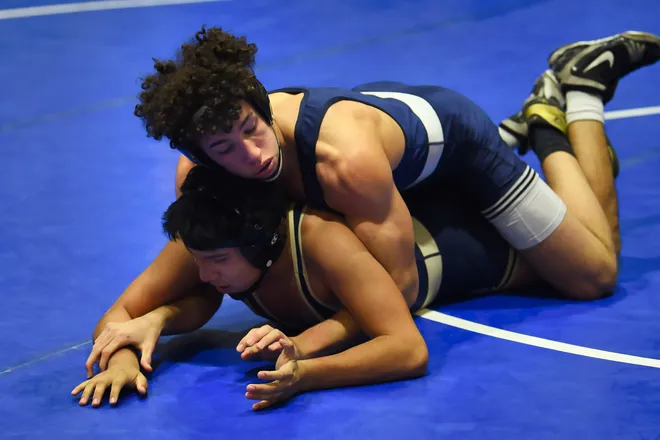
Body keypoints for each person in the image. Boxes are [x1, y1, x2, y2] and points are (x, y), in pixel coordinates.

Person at [132, 27, 659, 310]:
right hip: (392, 150)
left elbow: (400, 289)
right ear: (199, 157)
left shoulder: (343, 160)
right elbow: (199, 275)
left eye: (251, 130)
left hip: (458, 146)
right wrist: (153, 320)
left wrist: (309, 343)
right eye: (224, 149)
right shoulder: (197, 178)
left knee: (592, 275)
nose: (252, 156)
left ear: (263, 108)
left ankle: (572, 97)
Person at [71, 164, 537, 409]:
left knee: (594, 269)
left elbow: (408, 350)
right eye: (197, 261)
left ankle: (568, 111)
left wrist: (307, 375)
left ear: (260, 246)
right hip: (419, 231)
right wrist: (124, 357)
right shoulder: (206, 240)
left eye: (215, 263)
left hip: (475, 247)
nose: (203, 273)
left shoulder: (320, 240)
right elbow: (118, 318)